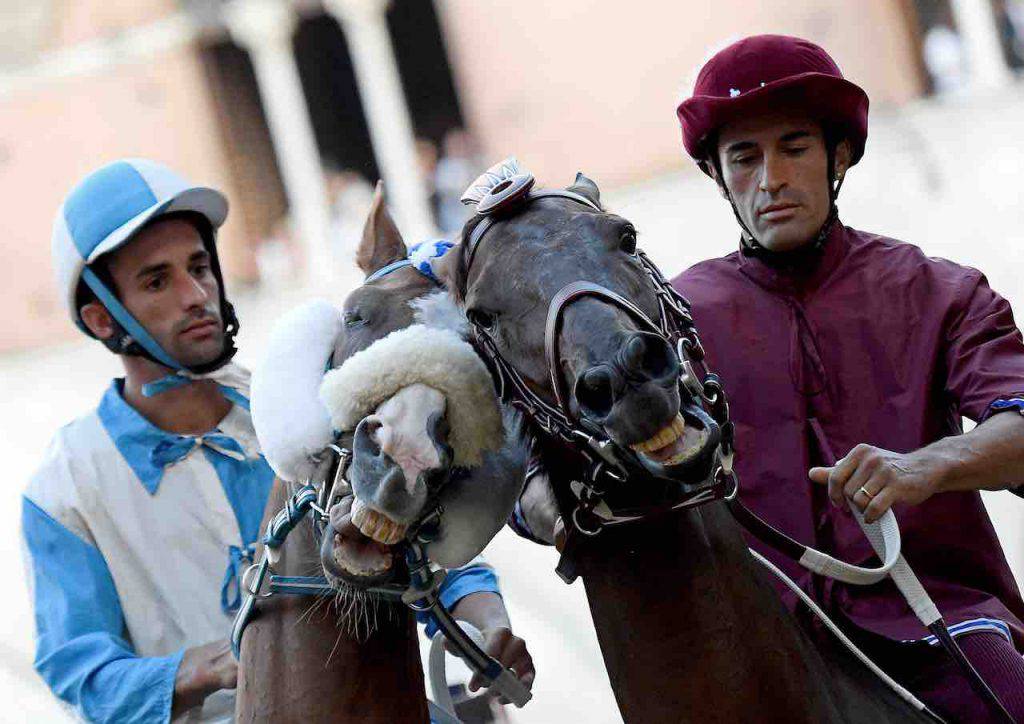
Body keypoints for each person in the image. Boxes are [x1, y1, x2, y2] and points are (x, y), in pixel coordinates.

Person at [22, 159, 533, 722]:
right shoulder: (61, 490)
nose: (196, 294)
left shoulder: (305, 405)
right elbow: (81, 675)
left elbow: (428, 539)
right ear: (101, 319)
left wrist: (488, 623)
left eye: (199, 267)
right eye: (156, 281)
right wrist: (204, 668)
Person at [671, 35, 1024, 721]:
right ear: (718, 174)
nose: (770, 177)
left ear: (838, 157)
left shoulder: (938, 290)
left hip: (937, 622)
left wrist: (927, 467)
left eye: (794, 147)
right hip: (755, 646)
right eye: (744, 156)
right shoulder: (671, 321)